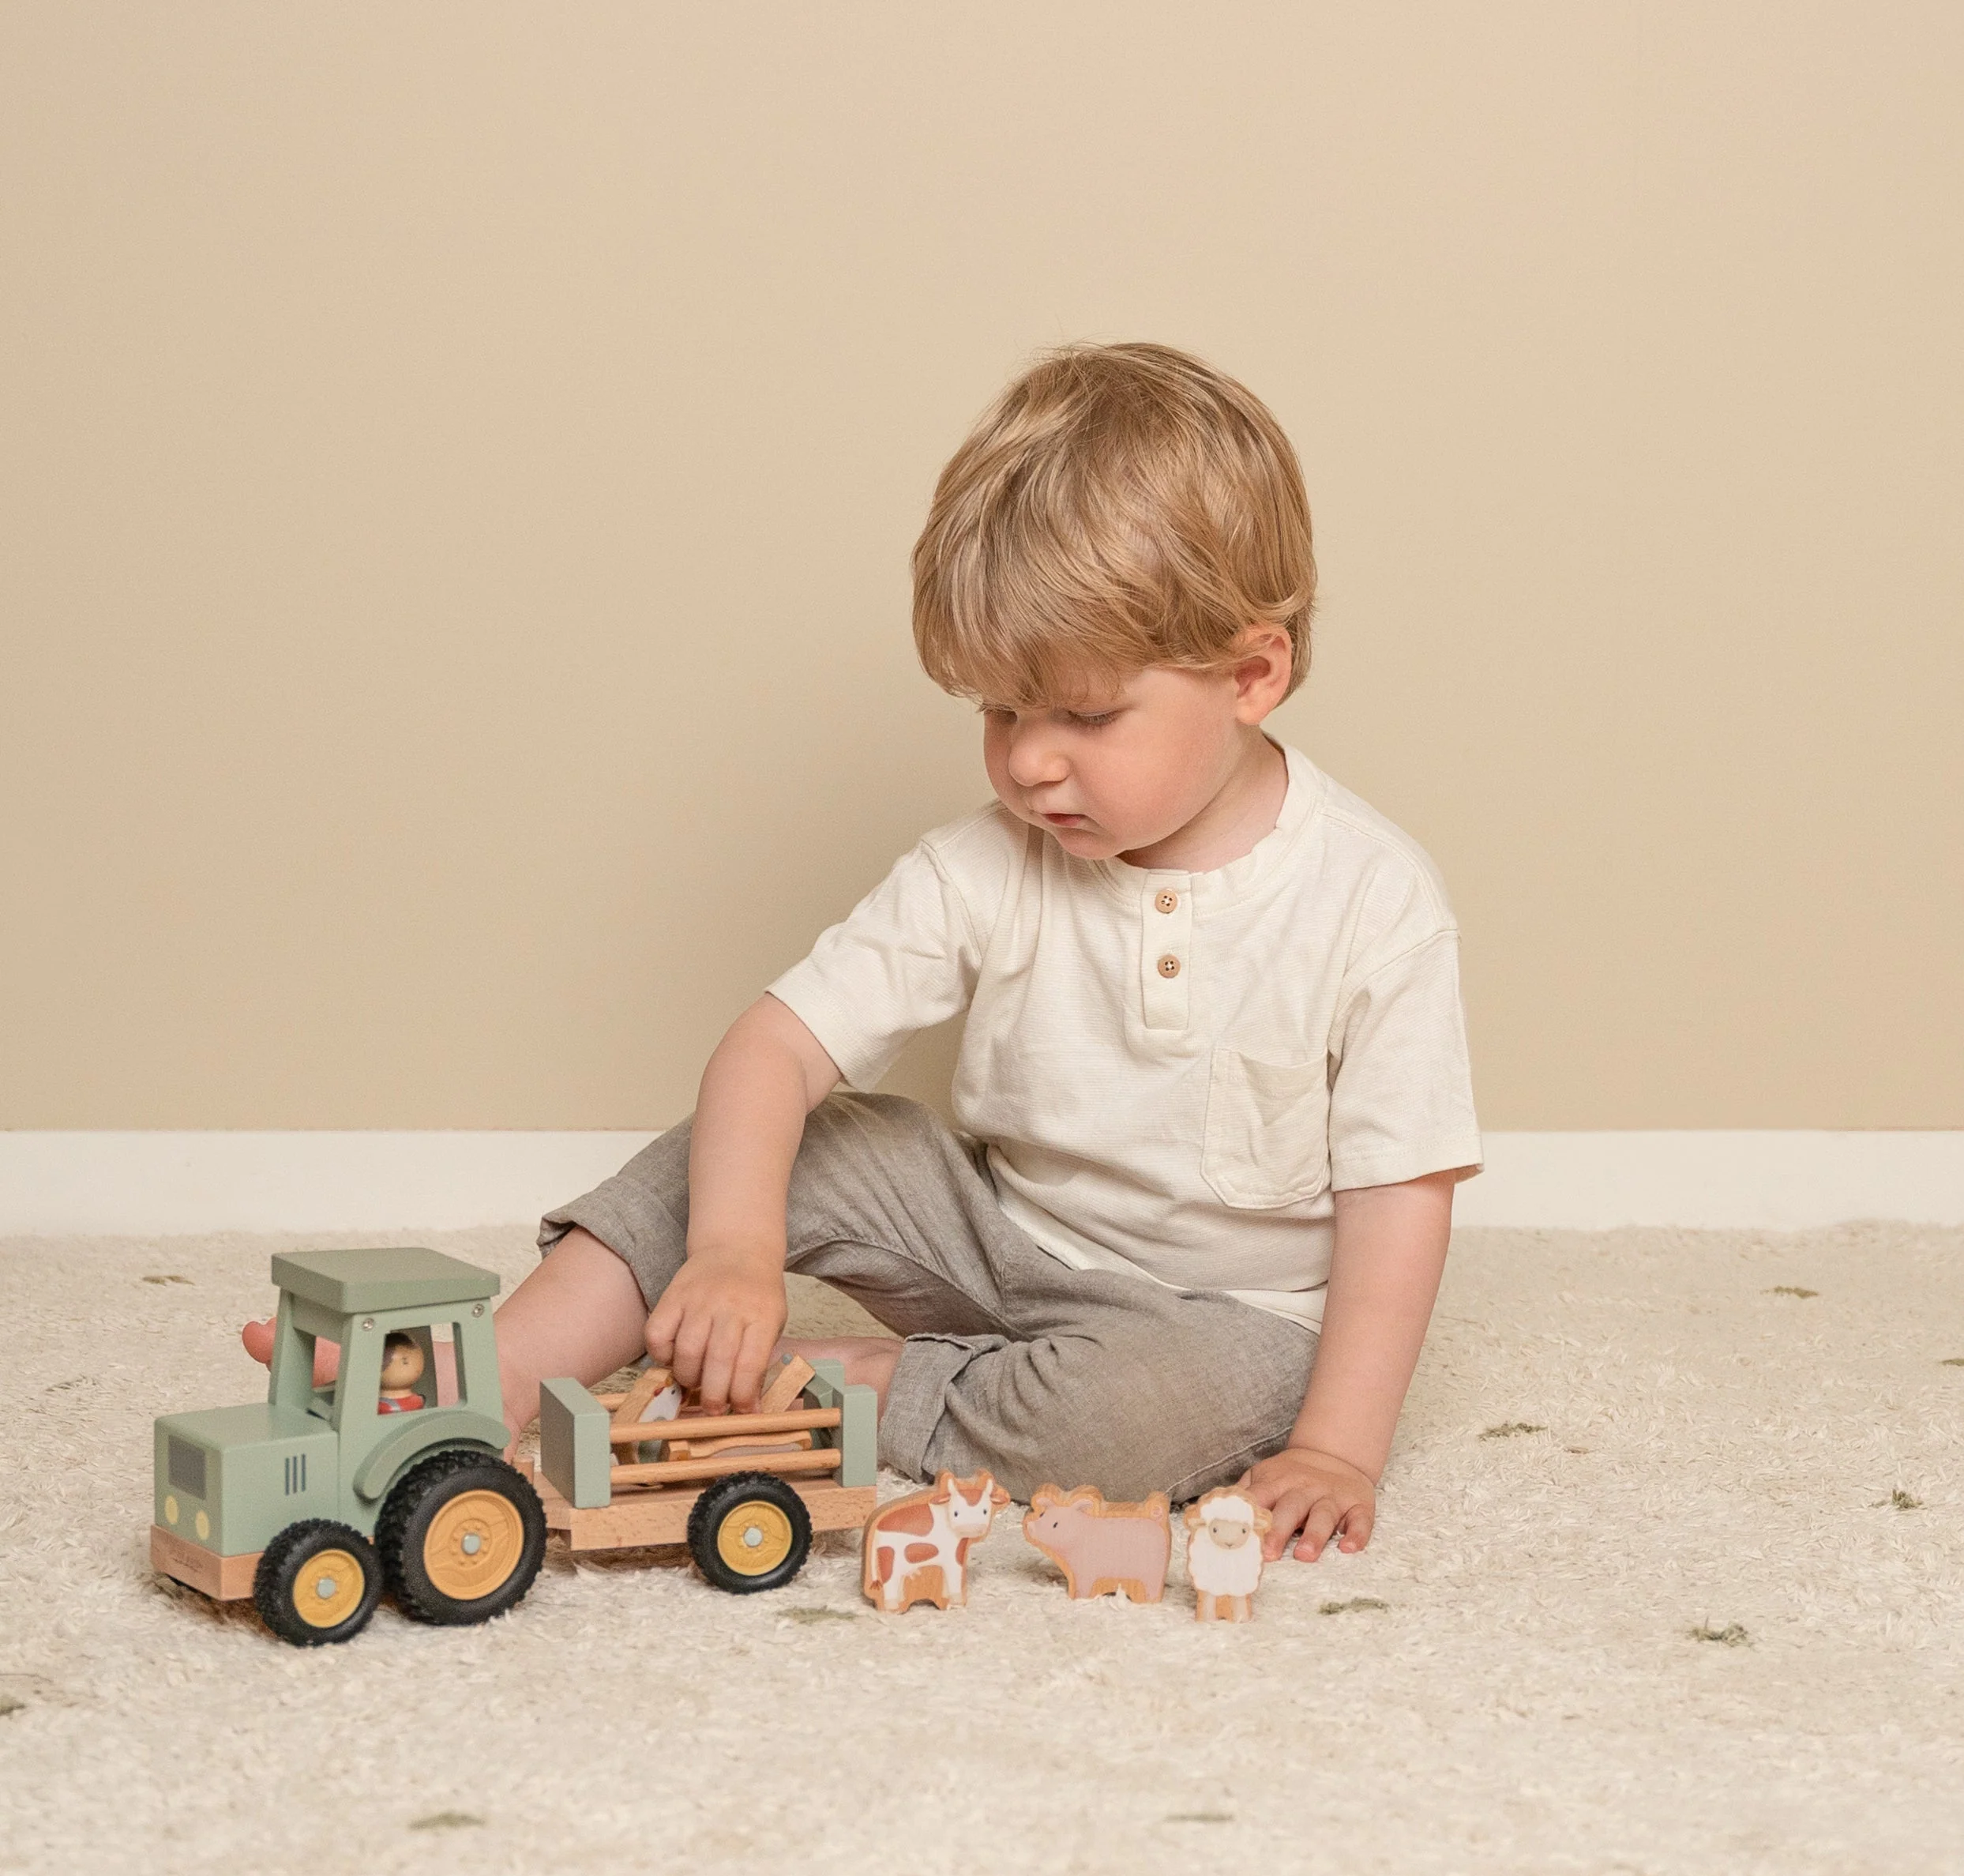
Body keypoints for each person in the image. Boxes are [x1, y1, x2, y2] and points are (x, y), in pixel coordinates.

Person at [249, 343, 1480, 1563]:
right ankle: (488, 1377)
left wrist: (1339, 1446)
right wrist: (734, 1246)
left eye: (1085, 716)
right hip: (997, 1232)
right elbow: (775, 1047)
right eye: (999, 711)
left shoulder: (1371, 901)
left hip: (1220, 1316)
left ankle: (863, 1383)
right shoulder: (988, 862)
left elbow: (1396, 1202)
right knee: (790, 1140)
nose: (1029, 762)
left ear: (1251, 673)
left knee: (1151, 1420)